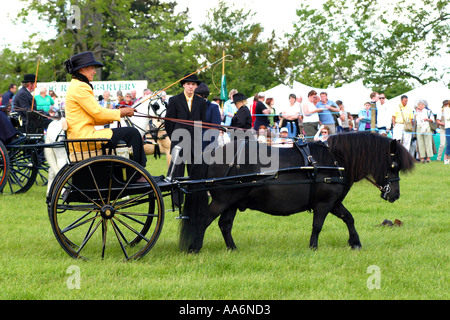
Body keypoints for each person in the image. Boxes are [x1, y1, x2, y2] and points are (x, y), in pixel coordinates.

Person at [63, 51, 147, 170]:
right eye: (92, 68)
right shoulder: (80, 87)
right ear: (82, 69)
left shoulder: (76, 85)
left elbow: (95, 116)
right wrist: (122, 113)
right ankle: (137, 174)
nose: (94, 71)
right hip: (85, 138)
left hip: (81, 136)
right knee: (132, 133)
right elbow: (98, 113)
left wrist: (118, 113)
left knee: (127, 133)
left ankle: (129, 173)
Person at [165, 72, 207, 181]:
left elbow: (202, 122)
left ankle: (193, 199)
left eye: (193, 84)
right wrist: (175, 138)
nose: (191, 86)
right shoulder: (174, 100)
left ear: (196, 86)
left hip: (195, 144)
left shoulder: (202, 102)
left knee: (195, 178)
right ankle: (176, 198)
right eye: (188, 84)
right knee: (176, 177)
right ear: (183, 85)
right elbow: (168, 123)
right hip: (179, 143)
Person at [194, 83, 221, 150]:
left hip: (206, 144)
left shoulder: (213, 108)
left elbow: (215, 128)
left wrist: (211, 146)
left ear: (203, 96)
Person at [443, 100, 450, 164]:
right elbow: (447, 117)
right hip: (448, 128)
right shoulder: (446, 109)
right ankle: (446, 157)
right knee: (449, 143)